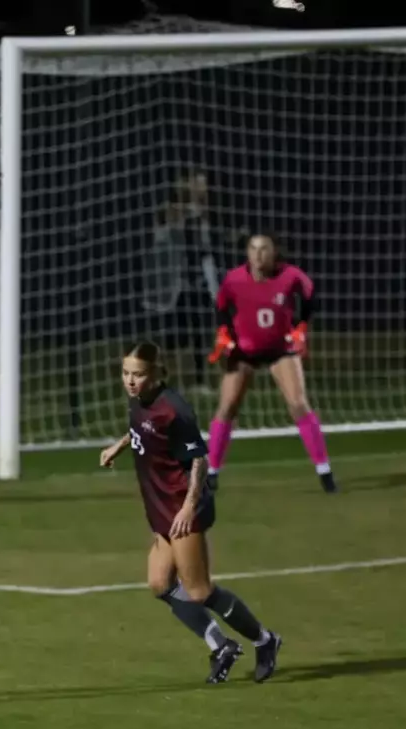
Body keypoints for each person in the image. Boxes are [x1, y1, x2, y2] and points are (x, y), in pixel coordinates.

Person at [100, 341, 283, 684]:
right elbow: (143, 429)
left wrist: (187, 506)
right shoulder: (140, 401)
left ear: (155, 374)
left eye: (137, 374)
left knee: (198, 591)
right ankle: (221, 646)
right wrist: (118, 446)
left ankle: (265, 639)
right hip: (160, 506)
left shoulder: (176, 410)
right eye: (126, 373)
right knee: (160, 583)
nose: (130, 380)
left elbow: (199, 458)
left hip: (183, 507)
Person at [206, 233, 334, 492]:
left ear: (275, 252)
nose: (258, 254)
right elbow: (221, 307)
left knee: (298, 404)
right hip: (244, 351)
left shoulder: (291, 276)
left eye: (264, 249)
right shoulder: (234, 279)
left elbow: (311, 298)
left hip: (280, 350)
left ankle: (325, 473)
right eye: (253, 249)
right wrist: (223, 332)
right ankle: (211, 473)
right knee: (227, 406)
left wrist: (300, 328)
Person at [141, 170, 221, 390]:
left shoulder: (204, 213)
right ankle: (155, 375)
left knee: (199, 333)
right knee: (174, 336)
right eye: (198, 184)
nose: (201, 190)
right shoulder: (173, 210)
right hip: (177, 284)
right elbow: (169, 227)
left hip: (199, 282)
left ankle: (199, 380)